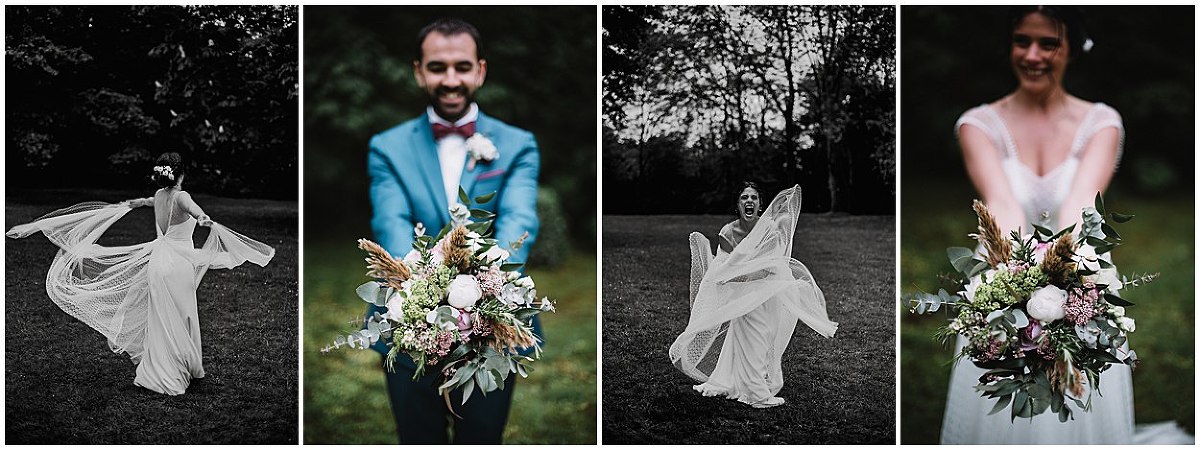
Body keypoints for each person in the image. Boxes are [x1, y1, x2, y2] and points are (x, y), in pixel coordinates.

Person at [941, 6, 1191, 444]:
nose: (1033, 54)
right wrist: (1015, 279)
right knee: (1000, 378)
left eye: (1049, 42)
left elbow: (1081, 207)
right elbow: (1000, 202)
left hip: (1080, 262)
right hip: (1003, 265)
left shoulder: (1101, 122)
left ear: (1072, 49)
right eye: (1022, 41)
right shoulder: (977, 123)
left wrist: (1064, 279)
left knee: (1078, 396)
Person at [365, 17, 540, 444]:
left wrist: (479, 291)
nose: (450, 79)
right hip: (404, 322)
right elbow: (392, 223)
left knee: (481, 437)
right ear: (419, 71)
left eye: (461, 66)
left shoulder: (518, 144)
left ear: (480, 70)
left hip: (494, 328)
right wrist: (424, 293)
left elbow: (518, 221)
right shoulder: (386, 147)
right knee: (417, 437)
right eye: (437, 67)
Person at [6, 152, 275, 396]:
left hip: (159, 262)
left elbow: (147, 201)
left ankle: (159, 369)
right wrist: (204, 218)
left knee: (161, 317)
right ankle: (175, 372)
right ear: (181, 174)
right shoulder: (182, 196)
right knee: (182, 315)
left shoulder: (159, 195)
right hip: (177, 264)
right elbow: (195, 211)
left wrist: (133, 203)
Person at [669, 183, 837, 409]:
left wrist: (740, 274)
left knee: (757, 340)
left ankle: (740, 382)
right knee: (751, 339)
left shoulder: (769, 229)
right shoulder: (728, 232)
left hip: (765, 293)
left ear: (760, 204)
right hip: (743, 296)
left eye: (754, 198)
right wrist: (731, 277)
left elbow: (770, 267)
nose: (749, 201)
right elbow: (723, 268)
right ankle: (756, 395)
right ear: (738, 204)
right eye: (744, 198)